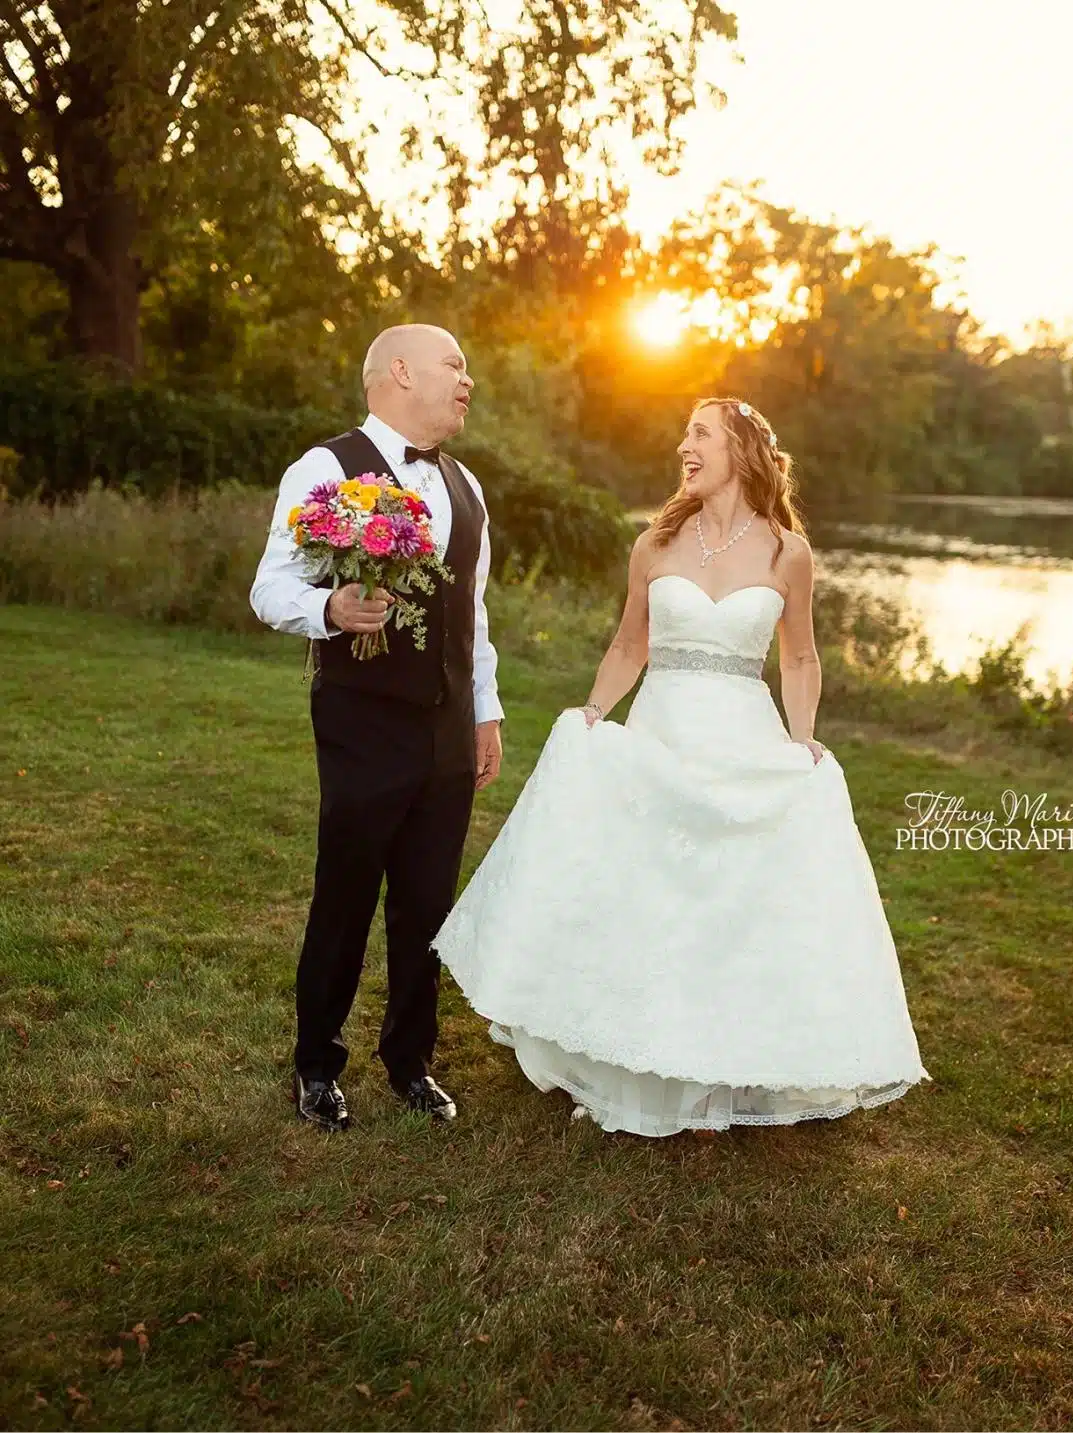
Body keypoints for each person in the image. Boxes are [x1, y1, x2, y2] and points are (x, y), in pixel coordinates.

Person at [433, 397, 930, 1137]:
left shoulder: (788, 552)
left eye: (699, 434)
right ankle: (633, 1053)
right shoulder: (655, 544)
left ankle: (721, 1066)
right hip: (662, 731)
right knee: (652, 890)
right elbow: (629, 646)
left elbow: (799, 654)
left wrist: (803, 739)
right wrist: (595, 715)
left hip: (743, 736)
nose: (682, 446)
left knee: (730, 902)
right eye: (685, 434)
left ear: (741, 449)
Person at [250, 324, 504, 1132]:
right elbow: (268, 585)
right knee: (348, 894)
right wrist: (329, 606)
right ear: (400, 371)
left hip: (447, 728)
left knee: (428, 901)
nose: (468, 381)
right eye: (454, 366)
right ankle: (316, 1067)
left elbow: (475, 613)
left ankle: (411, 1060)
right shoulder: (325, 468)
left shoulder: (467, 486)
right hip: (363, 720)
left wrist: (484, 712)